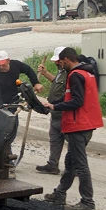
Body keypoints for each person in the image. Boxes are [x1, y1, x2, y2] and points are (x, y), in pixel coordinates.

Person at [41, 46, 103, 210]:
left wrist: (55, 106)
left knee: (80, 165)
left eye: (61, 62)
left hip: (78, 124)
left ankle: (87, 203)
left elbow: (77, 101)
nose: (61, 65)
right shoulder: (87, 72)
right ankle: (60, 194)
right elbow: (70, 96)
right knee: (71, 162)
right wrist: (53, 103)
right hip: (88, 123)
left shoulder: (75, 75)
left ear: (67, 59)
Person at [35, 46, 68, 175]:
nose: (56, 63)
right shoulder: (61, 71)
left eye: (58, 61)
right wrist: (45, 73)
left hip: (64, 113)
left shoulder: (70, 73)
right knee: (55, 140)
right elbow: (56, 82)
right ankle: (53, 165)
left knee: (72, 142)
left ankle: (75, 167)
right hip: (55, 113)